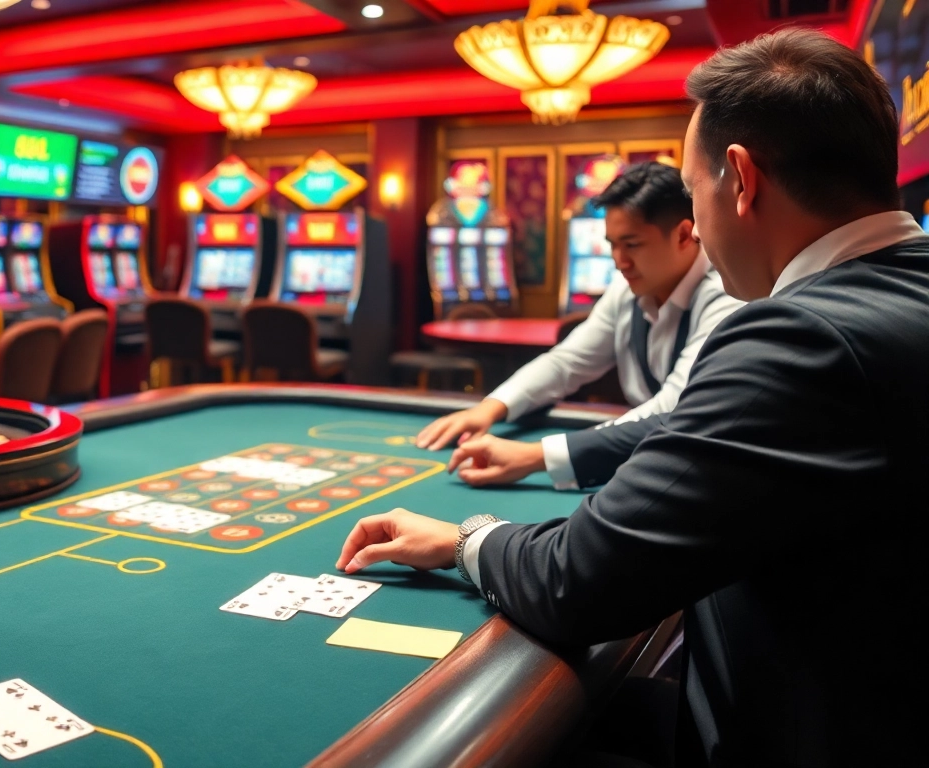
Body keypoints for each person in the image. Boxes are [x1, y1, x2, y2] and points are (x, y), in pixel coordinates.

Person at [338, 28, 925, 765]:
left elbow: (581, 580)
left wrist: (464, 539)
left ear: (740, 180)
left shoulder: (798, 336)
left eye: (695, 185)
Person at [416, 162, 742, 490]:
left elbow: (674, 408)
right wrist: (491, 408)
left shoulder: (728, 295)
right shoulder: (626, 289)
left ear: (684, 235)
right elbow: (567, 362)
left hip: (708, 477)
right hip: (645, 465)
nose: (618, 261)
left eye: (631, 244)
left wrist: (535, 456)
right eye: (612, 244)